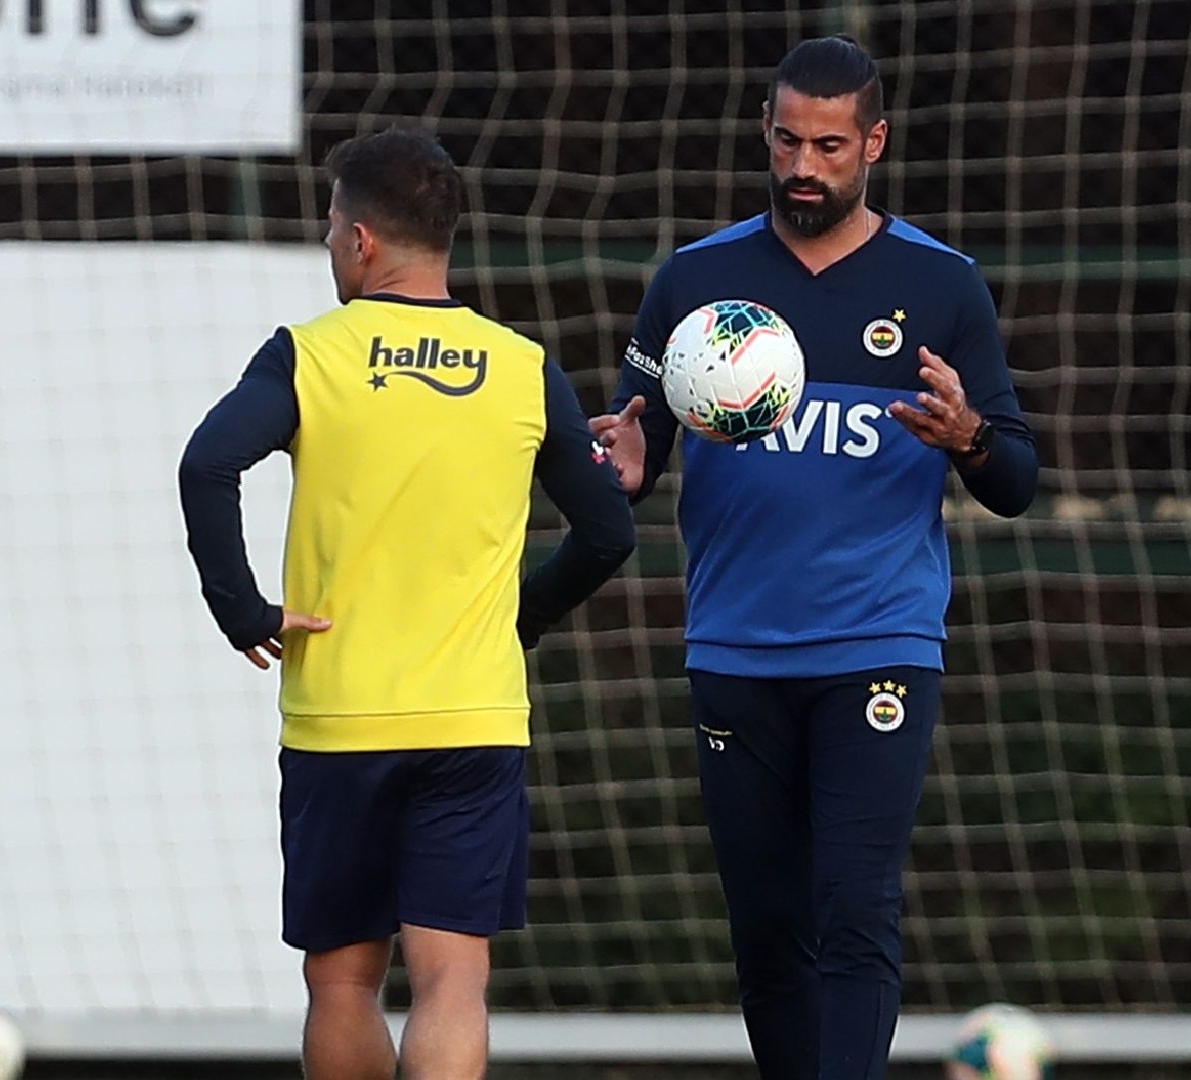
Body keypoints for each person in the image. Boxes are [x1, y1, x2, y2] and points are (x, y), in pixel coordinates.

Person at [590, 36, 1039, 1080]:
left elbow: (1014, 480)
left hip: (877, 646)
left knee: (855, 904)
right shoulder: (696, 282)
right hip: (736, 651)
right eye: (788, 139)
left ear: (872, 143)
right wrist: (621, 459)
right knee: (767, 925)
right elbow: (637, 451)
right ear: (766, 130)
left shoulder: (942, 286)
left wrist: (968, 435)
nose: (805, 164)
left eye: (830, 145)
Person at [178, 129, 636, 1080]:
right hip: (472, 717)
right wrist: (523, 618)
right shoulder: (519, 365)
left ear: (361, 242)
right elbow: (606, 533)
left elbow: (208, 461)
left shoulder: (310, 354)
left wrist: (246, 612)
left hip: (340, 717)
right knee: (453, 982)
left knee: (343, 984)